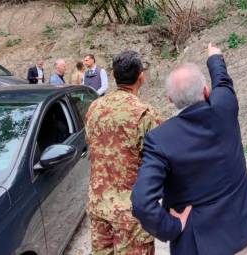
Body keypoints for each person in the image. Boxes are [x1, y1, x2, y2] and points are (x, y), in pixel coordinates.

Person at [131, 43, 247, 255]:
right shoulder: (225, 108)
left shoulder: (160, 139)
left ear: (170, 100)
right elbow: (223, 81)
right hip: (241, 231)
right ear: (206, 91)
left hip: (198, 245)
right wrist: (215, 58)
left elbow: (141, 202)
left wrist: (171, 227)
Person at [85, 50, 161, 254]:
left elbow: (92, 145)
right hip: (131, 214)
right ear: (141, 77)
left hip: (98, 205)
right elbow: (159, 163)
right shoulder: (145, 114)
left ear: (114, 76)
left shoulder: (94, 108)